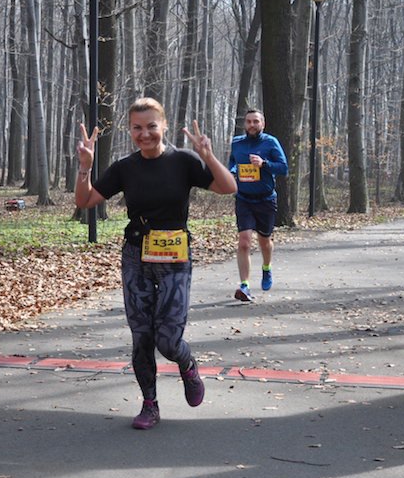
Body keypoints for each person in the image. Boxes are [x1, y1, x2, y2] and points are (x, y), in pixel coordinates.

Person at [74, 98, 237, 430]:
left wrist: (207, 155)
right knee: (142, 337)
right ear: (130, 130)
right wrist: (85, 167)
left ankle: (187, 365)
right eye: (137, 128)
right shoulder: (125, 167)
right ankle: (150, 405)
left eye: (151, 126)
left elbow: (228, 187)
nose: (144, 134)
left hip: (175, 257)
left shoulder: (183, 161)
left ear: (164, 126)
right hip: (136, 255)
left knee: (168, 340)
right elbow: (85, 200)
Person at [227, 109, 288, 302]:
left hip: (266, 200)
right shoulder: (237, 143)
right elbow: (232, 163)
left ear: (263, 123)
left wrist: (264, 164)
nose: (252, 125)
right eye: (249, 122)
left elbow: (283, 168)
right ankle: (244, 285)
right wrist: (233, 171)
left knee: (264, 241)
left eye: (256, 121)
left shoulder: (270, 142)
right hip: (244, 199)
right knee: (244, 242)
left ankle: (266, 268)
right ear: (244, 124)